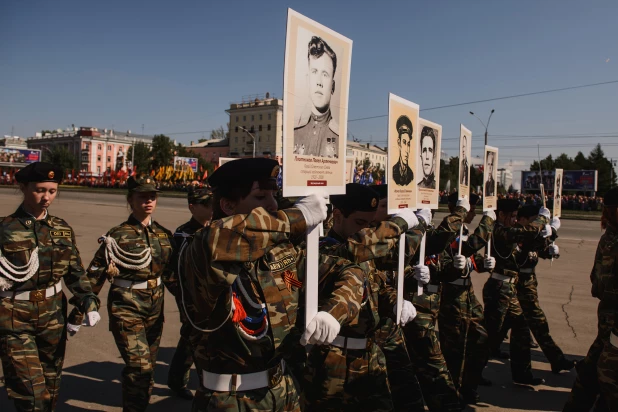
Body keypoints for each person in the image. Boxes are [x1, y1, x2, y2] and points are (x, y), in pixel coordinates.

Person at [181, 158, 365, 411]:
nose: (272, 204)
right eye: (260, 197)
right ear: (227, 205)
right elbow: (221, 236)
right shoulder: (201, 249)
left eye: (273, 194)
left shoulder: (277, 252)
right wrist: (298, 216)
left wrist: (335, 312)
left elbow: (348, 271)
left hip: (282, 390)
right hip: (230, 399)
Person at [304, 183, 423, 411]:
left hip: (369, 356)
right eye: (360, 223)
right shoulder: (324, 249)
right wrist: (401, 223)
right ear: (337, 215)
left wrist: (396, 301)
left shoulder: (363, 253)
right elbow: (359, 247)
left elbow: (376, 287)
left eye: (370, 225)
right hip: (333, 360)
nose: (366, 230)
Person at [68, 175, 177, 412]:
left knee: (147, 368)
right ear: (130, 200)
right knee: (139, 366)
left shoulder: (164, 235)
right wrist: (79, 313)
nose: (148, 201)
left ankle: (139, 406)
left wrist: (192, 306)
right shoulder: (117, 235)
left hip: (155, 309)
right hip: (126, 307)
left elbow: (171, 276)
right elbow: (95, 275)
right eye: (142, 197)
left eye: (152, 196)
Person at [0, 162, 101, 411]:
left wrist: (88, 301)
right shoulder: (5, 228)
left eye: (52, 191)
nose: (47, 197)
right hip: (14, 317)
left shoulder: (62, 229)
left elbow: (75, 272)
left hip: (52, 317)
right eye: (40, 190)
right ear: (23, 187)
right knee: (32, 396)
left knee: (51, 389)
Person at [482, 198, 554, 385]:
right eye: (512, 216)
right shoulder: (500, 230)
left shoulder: (508, 231)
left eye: (516, 216)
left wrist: (550, 236)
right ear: (501, 215)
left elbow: (526, 246)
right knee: (490, 334)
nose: (514, 220)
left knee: (522, 327)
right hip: (498, 288)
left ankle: (522, 373)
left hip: (509, 288)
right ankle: (470, 375)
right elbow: (524, 233)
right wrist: (543, 220)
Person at [564, 187, 618, 411]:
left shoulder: (608, 238)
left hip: (608, 317)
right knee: (602, 375)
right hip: (612, 319)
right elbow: (602, 287)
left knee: (592, 370)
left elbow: (595, 283)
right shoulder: (613, 243)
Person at [438, 192, 495, 405]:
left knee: (481, 340)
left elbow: (470, 256)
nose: (473, 212)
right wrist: (488, 221)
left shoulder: (463, 230)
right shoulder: (449, 230)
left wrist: (483, 264)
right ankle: (453, 394)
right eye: (471, 208)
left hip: (467, 294)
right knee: (454, 349)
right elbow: (469, 246)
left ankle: (469, 384)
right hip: (451, 296)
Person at [167, 187, 213, 400]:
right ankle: (203, 384)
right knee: (197, 338)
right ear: (192, 207)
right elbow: (171, 272)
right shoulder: (183, 234)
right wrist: (184, 296)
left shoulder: (215, 228)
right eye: (206, 204)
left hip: (212, 295)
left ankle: (176, 380)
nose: (211, 207)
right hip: (191, 298)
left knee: (191, 337)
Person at [293, 36, 339, 158]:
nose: (319, 82)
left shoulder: (338, 135)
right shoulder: (295, 132)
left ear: (332, 86)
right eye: (314, 72)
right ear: (308, 80)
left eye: (325, 74)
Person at [392, 115, 414, 186]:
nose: (407, 150)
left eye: (408, 144)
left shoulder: (411, 175)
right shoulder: (393, 171)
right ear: (399, 143)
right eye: (404, 142)